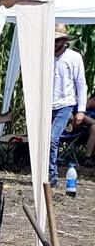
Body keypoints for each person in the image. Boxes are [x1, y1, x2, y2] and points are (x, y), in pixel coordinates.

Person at [48, 25, 88, 182]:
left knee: (52, 139)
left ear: (64, 41)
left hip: (65, 104)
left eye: (57, 40)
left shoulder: (74, 57)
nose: (54, 43)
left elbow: (81, 84)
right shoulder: (46, 56)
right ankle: (44, 173)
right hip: (46, 105)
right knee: (44, 140)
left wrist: (81, 110)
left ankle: (52, 176)